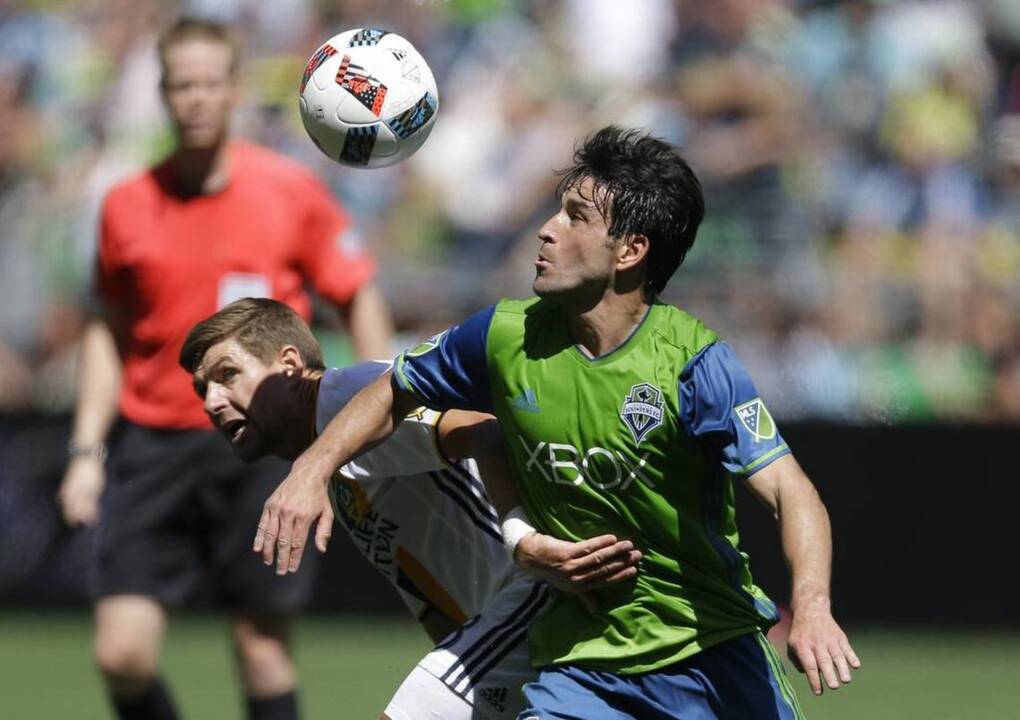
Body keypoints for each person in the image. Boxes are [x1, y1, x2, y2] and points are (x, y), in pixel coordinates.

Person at [254, 126, 862, 719]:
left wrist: (811, 606)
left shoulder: (692, 363)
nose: (546, 229)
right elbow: (391, 388)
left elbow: (789, 489)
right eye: (556, 211)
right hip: (580, 665)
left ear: (630, 250)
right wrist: (312, 469)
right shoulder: (503, 335)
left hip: (711, 652)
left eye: (576, 217)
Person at [55, 17, 393, 720]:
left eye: (211, 83)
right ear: (163, 93)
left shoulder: (289, 190)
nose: (198, 99)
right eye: (183, 85)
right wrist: (87, 452)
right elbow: (104, 331)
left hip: (264, 445)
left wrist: (372, 410)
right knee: (122, 654)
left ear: (235, 89)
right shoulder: (125, 205)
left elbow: (356, 292)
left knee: (261, 646)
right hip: (152, 444)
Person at [178, 297, 642, 719]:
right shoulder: (329, 457)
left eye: (227, 375)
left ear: (291, 365)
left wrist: (523, 540)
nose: (211, 403)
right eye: (203, 391)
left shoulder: (352, 397)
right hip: (507, 624)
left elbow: (486, 429)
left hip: (539, 593)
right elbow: (430, 597)